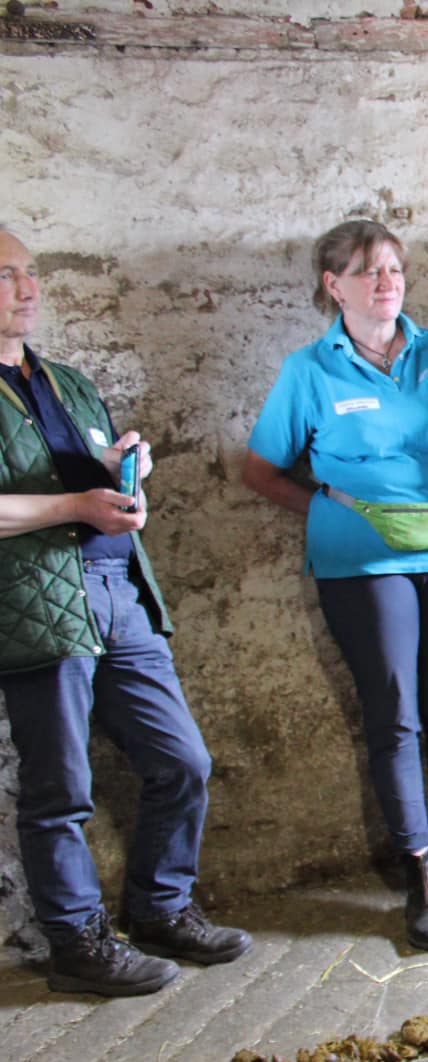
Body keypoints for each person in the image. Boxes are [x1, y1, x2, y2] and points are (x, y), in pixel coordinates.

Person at [0, 227, 250, 996]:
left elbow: (90, 472)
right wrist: (76, 502)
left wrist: (119, 474)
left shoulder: (67, 381)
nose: (28, 288)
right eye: (7, 276)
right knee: (59, 791)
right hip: (38, 608)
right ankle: (77, 941)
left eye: (31, 273)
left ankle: (160, 906)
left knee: (182, 762)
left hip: (117, 594)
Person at [242, 220, 428, 950]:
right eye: (369, 270)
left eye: (394, 269)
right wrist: (329, 514)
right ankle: (419, 877)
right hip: (363, 564)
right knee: (396, 714)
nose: (387, 282)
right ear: (334, 285)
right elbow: (262, 470)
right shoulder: (310, 371)